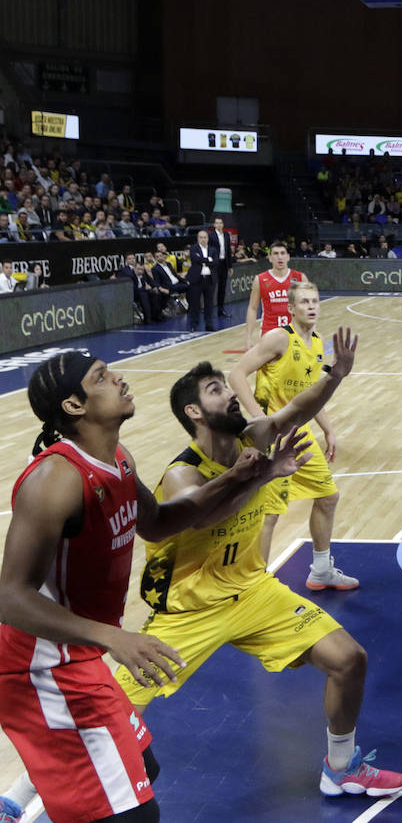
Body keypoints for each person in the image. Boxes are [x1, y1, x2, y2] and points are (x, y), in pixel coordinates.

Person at [0, 351, 306, 823]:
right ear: (76, 406)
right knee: (132, 815)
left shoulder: (117, 459)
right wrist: (114, 636)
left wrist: (246, 476)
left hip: (76, 654)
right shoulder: (55, 480)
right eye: (101, 377)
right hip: (39, 669)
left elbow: (160, 523)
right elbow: (10, 597)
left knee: (145, 765)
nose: (118, 378)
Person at [111, 332, 402, 801]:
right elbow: (204, 515)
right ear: (193, 412)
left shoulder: (251, 437)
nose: (232, 393)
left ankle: (341, 767)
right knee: (108, 705)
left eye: (228, 388)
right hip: (191, 608)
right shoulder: (181, 474)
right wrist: (262, 475)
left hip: (251, 591)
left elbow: (294, 411)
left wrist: (335, 376)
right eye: (216, 390)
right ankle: (20, 795)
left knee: (349, 660)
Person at [229, 282, 355, 586]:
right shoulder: (278, 339)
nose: (311, 306)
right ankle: (254, 585)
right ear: (291, 308)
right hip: (272, 441)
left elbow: (311, 395)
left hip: (300, 435)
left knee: (328, 497)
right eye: (304, 302)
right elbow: (235, 375)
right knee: (269, 514)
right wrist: (260, 419)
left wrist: (328, 429)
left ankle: (321, 571)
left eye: (315, 301)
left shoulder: (316, 342)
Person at [244, 241, 307, 351]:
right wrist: (248, 337)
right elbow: (253, 308)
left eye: (283, 253)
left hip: (295, 332)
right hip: (269, 332)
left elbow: (308, 308)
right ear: (270, 258)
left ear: (288, 257)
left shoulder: (300, 278)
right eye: (276, 254)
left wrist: (311, 331)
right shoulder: (260, 279)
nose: (280, 257)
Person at [186, 229, 216, 331]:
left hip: (209, 279)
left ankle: (209, 324)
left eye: (205, 237)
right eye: (201, 237)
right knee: (195, 304)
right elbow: (195, 259)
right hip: (196, 280)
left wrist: (202, 260)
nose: (203, 239)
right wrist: (208, 259)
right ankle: (194, 325)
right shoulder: (193, 248)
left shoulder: (213, 249)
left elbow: (215, 263)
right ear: (198, 239)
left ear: (208, 239)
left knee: (209, 303)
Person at [210, 216, 233, 318]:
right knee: (212, 287)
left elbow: (228, 251)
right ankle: (209, 310)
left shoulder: (227, 235)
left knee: (222, 288)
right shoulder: (211, 235)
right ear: (214, 225)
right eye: (217, 223)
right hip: (215, 264)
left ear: (223, 224)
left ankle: (221, 309)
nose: (219, 225)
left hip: (224, 263)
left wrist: (230, 266)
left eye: (220, 223)